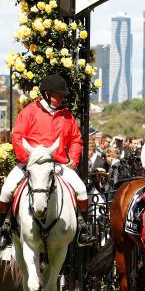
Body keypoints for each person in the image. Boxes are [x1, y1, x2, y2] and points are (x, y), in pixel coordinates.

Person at [0, 73, 94, 249]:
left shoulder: (67, 115)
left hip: (58, 163)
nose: (60, 98)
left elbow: (76, 139)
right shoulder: (29, 112)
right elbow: (18, 136)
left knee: (81, 190)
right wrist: (27, 158)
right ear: (46, 94)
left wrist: (73, 159)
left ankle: (82, 228)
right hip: (31, 162)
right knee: (5, 191)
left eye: (61, 95)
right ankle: (4, 229)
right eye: (57, 95)